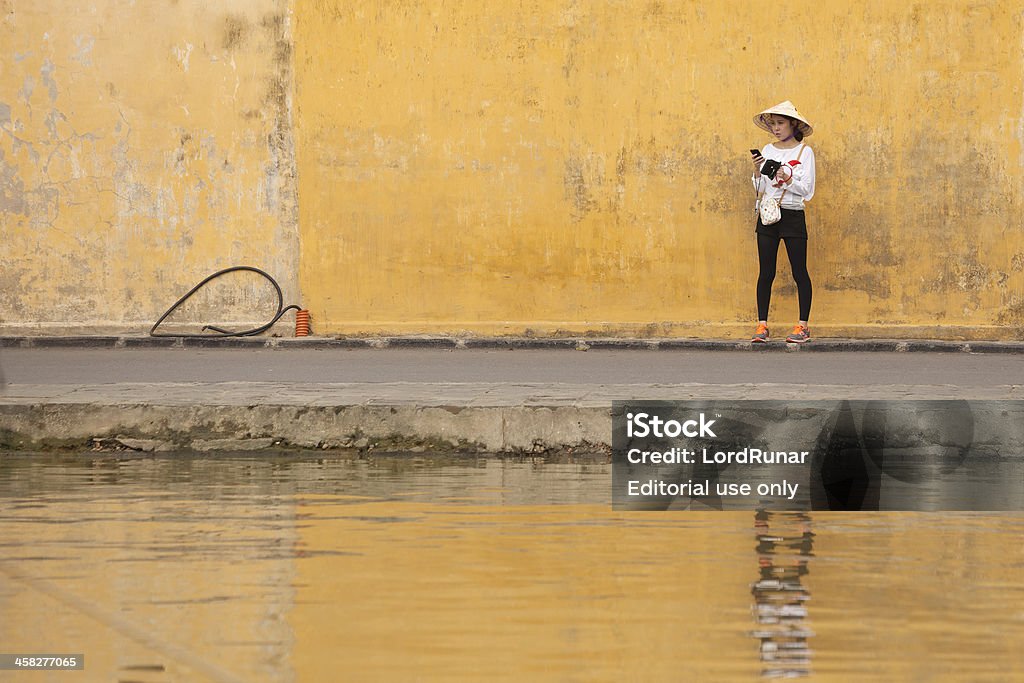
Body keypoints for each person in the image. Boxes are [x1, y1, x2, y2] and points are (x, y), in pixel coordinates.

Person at [749, 101, 816, 343]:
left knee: (800, 271)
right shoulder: (768, 150)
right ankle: (762, 325)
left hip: (792, 214)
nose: (776, 128)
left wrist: (786, 177)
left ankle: (803, 326)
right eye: (773, 124)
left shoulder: (804, 152)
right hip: (768, 215)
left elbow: (807, 190)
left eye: (781, 123)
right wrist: (758, 172)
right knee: (766, 272)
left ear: (793, 124)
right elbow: (760, 188)